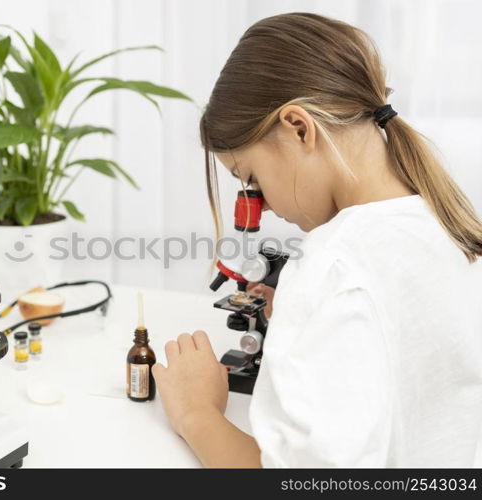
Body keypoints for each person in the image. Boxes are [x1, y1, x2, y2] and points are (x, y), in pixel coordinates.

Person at [152, 12, 482, 468]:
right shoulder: (447, 221)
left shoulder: (334, 265)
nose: (260, 206)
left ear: (299, 127)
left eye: (251, 179)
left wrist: (196, 412)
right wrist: (307, 318)